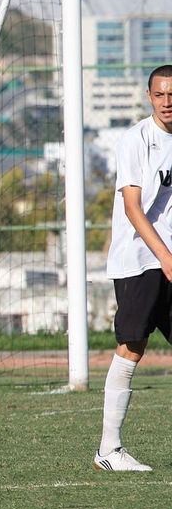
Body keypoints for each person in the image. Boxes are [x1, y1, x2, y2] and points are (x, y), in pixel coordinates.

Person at [97, 64, 172, 472]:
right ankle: (109, 450)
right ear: (149, 97)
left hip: (167, 257)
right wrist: (164, 256)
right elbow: (132, 206)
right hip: (139, 258)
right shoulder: (136, 140)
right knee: (132, 346)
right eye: (160, 95)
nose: (167, 102)